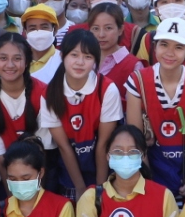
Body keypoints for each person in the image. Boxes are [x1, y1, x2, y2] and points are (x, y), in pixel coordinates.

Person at [124, 18, 185, 199]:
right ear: (154, 47)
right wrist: (149, 180)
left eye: (178, 47)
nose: (169, 52)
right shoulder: (137, 81)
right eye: (164, 44)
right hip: (152, 168)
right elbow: (136, 137)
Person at [38, 27, 122, 199]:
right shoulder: (49, 94)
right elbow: (64, 146)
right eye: (74, 55)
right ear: (62, 56)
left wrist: (99, 189)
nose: (80, 62)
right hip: (69, 173)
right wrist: (80, 187)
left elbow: (103, 144)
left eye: (88, 57)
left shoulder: (107, 89)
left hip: (104, 169)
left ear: (96, 60)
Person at [0, 32, 46, 201]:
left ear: (27, 61)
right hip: (9, 180)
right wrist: (12, 198)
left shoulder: (43, 93)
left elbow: (45, 150)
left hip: (42, 176)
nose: (10, 65)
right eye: (3, 58)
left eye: (17, 58)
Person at [87, 2, 135, 83]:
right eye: (96, 28)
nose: (101, 35)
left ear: (120, 30)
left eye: (108, 28)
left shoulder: (133, 65)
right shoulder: (83, 60)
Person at [21, 2, 63, 83]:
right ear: (25, 33)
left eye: (44, 27)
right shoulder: (19, 61)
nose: (39, 32)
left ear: (54, 30)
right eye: (32, 29)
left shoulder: (63, 61)